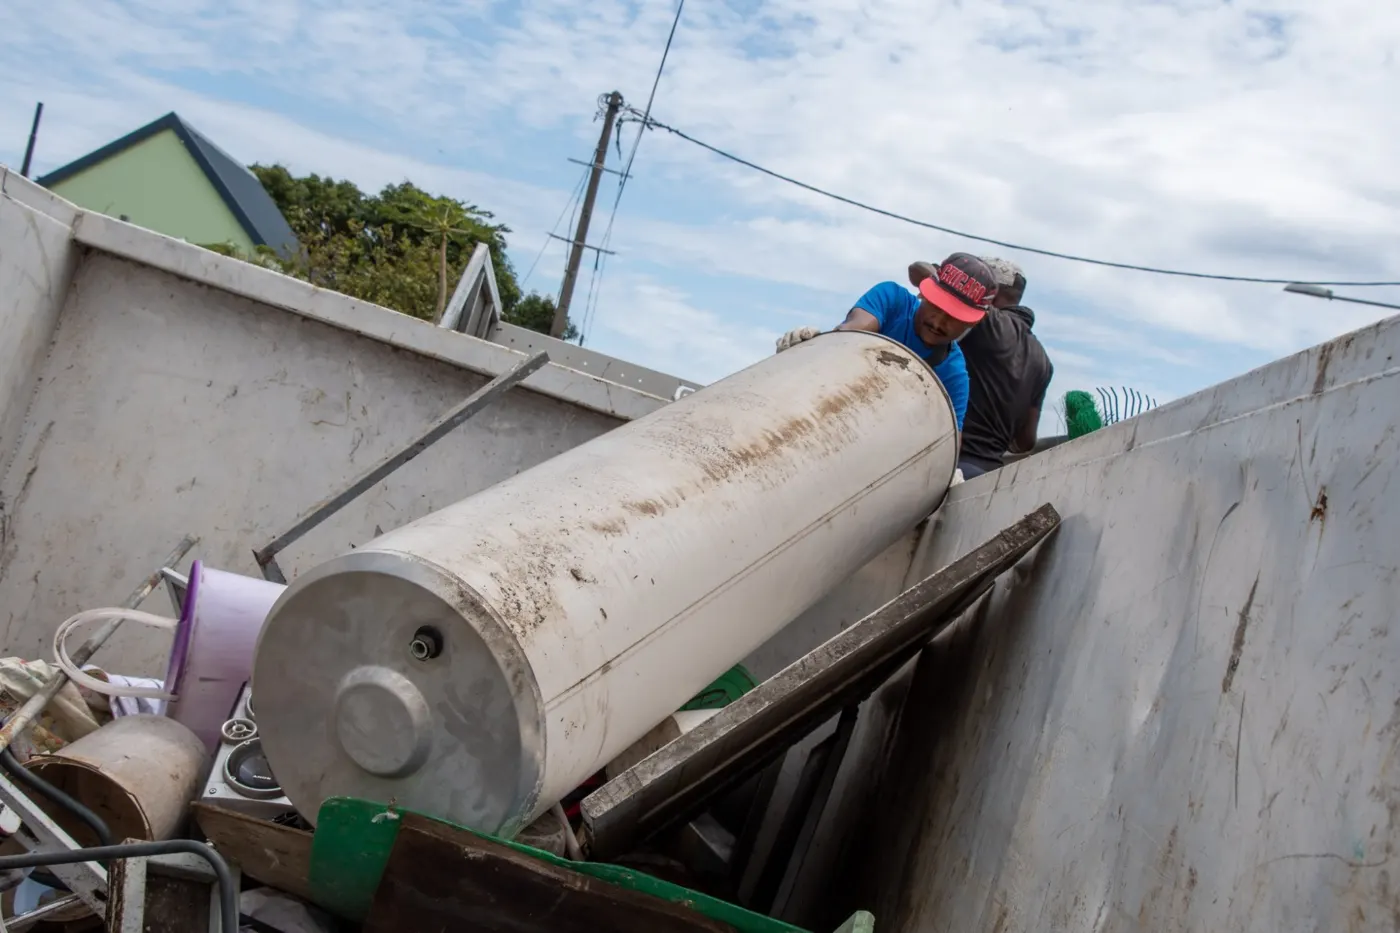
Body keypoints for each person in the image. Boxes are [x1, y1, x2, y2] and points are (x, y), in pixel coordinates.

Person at [776, 252, 1001, 432]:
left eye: (954, 316)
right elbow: (853, 331)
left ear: (970, 324)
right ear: (924, 295)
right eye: (936, 305)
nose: (939, 321)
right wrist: (814, 346)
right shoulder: (892, 301)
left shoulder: (952, 375)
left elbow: (949, 441)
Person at [908, 255, 1052, 478]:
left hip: (943, 468)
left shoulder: (986, 322)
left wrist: (942, 280)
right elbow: (1025, 442)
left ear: (988, 294)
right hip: (990, 476)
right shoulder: (1044, 362)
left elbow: (920, 270)